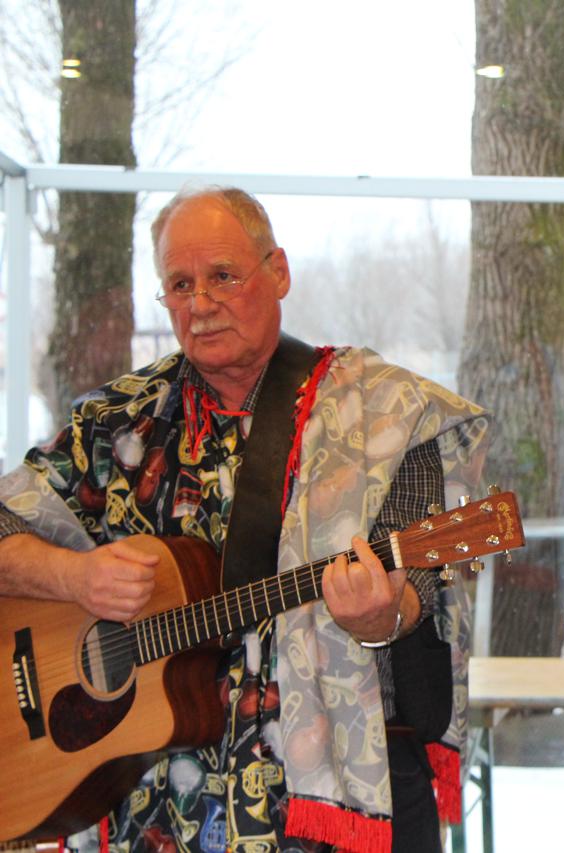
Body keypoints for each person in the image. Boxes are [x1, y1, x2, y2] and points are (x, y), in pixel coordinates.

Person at [0, 187, 487, 853]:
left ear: (278, 271)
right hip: (148, 813)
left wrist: (381, 617)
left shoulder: (383, 415)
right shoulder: (113, 425)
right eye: (180, 284)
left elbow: (420, 591)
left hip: (318, 817)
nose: (200, 304)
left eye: (223, 276)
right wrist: (73, 577)